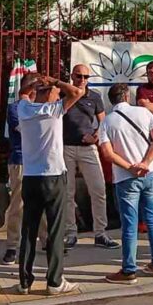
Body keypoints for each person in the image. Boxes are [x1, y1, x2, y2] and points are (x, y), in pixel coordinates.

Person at [16, 74, 85, 295]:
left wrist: (33, 85)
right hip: (53, 176)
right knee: (55, 230)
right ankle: (54, 281)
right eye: (55, 92)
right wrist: (54, 80)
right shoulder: (54, 110)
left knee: (29, 230)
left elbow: (23, 93)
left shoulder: (23, 110)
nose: (58, 94)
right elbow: (77, 92)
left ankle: (24, 282)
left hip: (30, 177)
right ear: (48, 92)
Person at [99, 82, 153, 284]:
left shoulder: (107, 122)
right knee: (152, 219)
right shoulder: (144, 113)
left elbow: (107, 153)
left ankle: (129, 269)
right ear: (127, 96)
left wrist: (129, 167)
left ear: (111, 100)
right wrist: (145, 162)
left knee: (130, 224)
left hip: (126, 177)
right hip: (150, 172)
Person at [62, 65, 119, 251]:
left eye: (86, 77)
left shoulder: (94, 96)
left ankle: (100, 233)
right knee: (67, 192)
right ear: (72, 76)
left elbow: (104, 122)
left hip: (88, 149)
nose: (82, 80)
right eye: (79, 76)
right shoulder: (63, 94)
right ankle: (71, 233)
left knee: (98, 189)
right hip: (66, 148)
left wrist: (95, 137)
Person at [2, 76, 36, 265]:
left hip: (39, 161)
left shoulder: (40, 107)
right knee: (17, 204)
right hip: (21, 160)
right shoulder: (15, 108)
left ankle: (47, 239)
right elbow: (26, 129)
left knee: (42, 202)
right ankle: (12, 246)